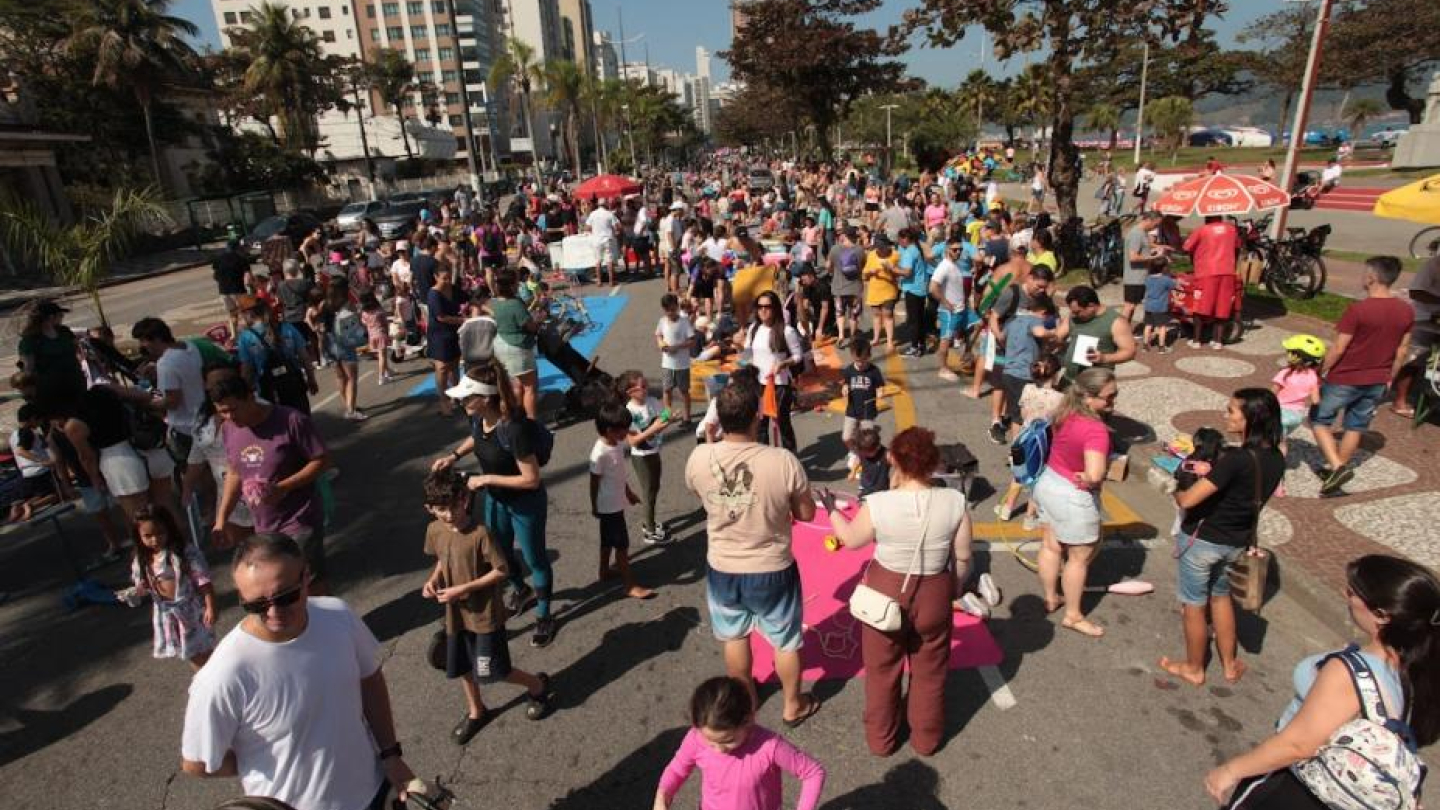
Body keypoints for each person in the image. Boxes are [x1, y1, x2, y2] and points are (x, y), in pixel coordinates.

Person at [180, 533, 417, 810]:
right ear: (242, 597)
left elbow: (370, 680)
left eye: (286, 597)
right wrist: (254, 761)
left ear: (306, 577)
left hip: (375, 792)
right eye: (256, 604)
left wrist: (391, 755)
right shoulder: (223, 675)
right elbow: (196, 763)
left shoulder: (337, 615)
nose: (273, 612)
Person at [1205, 555, 1440, 808]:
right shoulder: (1414, 666)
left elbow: (1297, 745)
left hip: (1296, 786)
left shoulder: (1348, 672)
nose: (1344, 595)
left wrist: (1230, 771)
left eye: (1352, 593)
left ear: (1382, 615)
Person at [822, 427, 972, 756]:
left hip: (886, 591)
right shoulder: (955, 501)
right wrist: (954, 587)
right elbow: (962, 556)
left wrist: (831, 509)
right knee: (930, 671)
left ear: (894, 460)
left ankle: (882, 740)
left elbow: (851, 539)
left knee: (881, 671)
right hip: (934, 589)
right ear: (933, 461)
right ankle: (926, 739)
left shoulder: (878, 503)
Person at [683, 378, 822, 728]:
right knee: (786, 640)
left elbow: (701, 496)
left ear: (718, 417)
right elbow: (807, 513)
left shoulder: (699, 457)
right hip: (772, 567)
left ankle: (746, 699)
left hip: (723, 567)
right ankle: (793, 705)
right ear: (757, 416)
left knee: (734, 636)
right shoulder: (782, 460)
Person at [1160, 389, 1286, 687]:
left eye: (1231, 410)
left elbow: (1188, 500)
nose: (1225, 415)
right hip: (1236, 541)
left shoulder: (1236, 459)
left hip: (1202, 540)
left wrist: (1178, 489)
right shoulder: (1276, 458)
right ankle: (1229, 664)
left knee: (1194, 604)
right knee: (1220, 597)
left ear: (1251, 418)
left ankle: (1194, 667)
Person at [420, 470, 553, 746]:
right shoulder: (435, 530)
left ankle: (537, 685)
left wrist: (463, 589)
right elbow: (443, 558)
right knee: (462, 666)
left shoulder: (481, 534)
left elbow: (501, 570)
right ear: (430, 509)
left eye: (454, 506)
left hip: (484, 616)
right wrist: (433, 580)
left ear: (465, 499)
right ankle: (476, 711)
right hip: (456, 615)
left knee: (494, 669)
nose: (449, 515)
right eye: (441, 509)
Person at [432, 364, 557, 647]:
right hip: (497, 499)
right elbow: (476, 438)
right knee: (499, 554)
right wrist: (453, 456)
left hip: (525, 503)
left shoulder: (513, 429)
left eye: (467, 397)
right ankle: (522, 590)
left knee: (535, 559)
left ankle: (544, 614)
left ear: (486, 398)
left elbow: (531, 479)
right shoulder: (479, 419)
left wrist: (485, 478)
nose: (461, 402)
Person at [209, 373, 331, 594]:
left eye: (234, 409)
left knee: (309, 584)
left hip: (299, 518)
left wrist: (283, 487)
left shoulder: (291, 420)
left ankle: (329, 615)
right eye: (222, 412)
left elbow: (321, 460)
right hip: (264, 526)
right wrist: (221, 520)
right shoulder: (229, 429)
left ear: (250, 397)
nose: (230, 416)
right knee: (281, 586)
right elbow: (234, 473)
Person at [1312, 257, 1413, 496]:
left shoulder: (1358, 310)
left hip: (1345, 376)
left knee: (1319, 420)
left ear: (1371, 278)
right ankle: (1337, 469)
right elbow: (1402, 350)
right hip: (1378, 378)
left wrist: (1318, 371)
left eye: (1364, 273)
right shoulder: (1406, 311)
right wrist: (1390, 377)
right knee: (1355, 425)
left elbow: (1339, 348)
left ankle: (1337, 467)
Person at [1032, 367, 1117, 638]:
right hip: (1072, 495)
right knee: (1078, 558)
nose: (1113, 401)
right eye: (1109, 396)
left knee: (1051, 545)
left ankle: (1050, 597)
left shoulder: (1064, 412)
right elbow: (1095, 473)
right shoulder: (1096, 430)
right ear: (1089, 397)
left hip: (1048, 483)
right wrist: (1092, 478)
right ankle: (1073, 615)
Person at [655, 676, 826, 810]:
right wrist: (663, 796)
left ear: (749, 719)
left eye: (728, 741)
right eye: (710, 741)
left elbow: (812, 772)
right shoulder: (695, 738)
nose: (718, 749)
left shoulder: (769, 746)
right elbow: (677, 770)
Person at [116, 505, 216, 670]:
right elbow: (144, 586)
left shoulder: (184, 552)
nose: (155, 540)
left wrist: (210, 606)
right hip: (166, 614)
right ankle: (203, 679)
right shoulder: (142, 559)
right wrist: (135, 592)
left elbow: (203, 579)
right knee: (189, 653)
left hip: (190, 611)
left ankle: (210, 679)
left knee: (203, 652)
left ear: (170, 529)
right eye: (148, 536)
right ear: (138, 536)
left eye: (160, 533)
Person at [590, 402, 659, 600]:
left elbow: (618, 474)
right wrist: (595, 505)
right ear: (610, 430)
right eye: (623, 430)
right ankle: (629, 586)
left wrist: (628, 492)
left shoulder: (617, 443)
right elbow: (594, 481)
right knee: (622, 546)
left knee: (607, 540)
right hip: (609, 507)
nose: (627, 433)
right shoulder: (600, 453)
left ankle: (604, 571)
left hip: (615, 502)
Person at [184, 366, 254, 549]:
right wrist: (187, 487)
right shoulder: (202, 417)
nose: (219, 388)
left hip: (257, 492)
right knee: (243, 549)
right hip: (228, 497)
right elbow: (197, 455)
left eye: (224, 382)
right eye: (213, 385)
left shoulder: (255, 409)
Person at [995, 354, 1064, 526]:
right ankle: (1029, 517)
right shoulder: (1060, 398)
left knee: (1019, 475)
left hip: (1025, 438)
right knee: (1037, 479)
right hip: (1044, 443)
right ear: (1056, 374)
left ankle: (1007, 508)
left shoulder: (1028, 389)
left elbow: (1023, 414)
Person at [131, 317, 206, 464]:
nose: (143, 346)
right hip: (202, 418)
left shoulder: (166, 363)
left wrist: (147, 404)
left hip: (184, 428)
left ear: (157, 339)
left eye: (143, 341)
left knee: (190, 468)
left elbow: (172, 401)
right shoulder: (189, 347)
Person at [740, 290, 804, 453]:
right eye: (759, 306)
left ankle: (790, 457)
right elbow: (747, 354)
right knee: (760, 424)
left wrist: (783, 364)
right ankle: (765, 457)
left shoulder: (787, 331)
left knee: (783, 423)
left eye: (767, 306)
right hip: (758, 384)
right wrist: (738, 347)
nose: (763, 310)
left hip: (779, 385)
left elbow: (798, 356)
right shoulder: (754, 328)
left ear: (775, 308)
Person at [618, 370, 673, 545]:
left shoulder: (652, 401)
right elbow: (633, 441)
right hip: (641, 457)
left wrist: (668, 419)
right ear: (630, 392)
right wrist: (654, 429)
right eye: (642, 386)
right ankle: (649, 531)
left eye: (646, 384)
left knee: (654, 488)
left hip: (654, 451)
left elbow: (660, 421)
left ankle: (649, 522)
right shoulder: (629, 412)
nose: (647, 388)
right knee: (649, 492)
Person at [235, 298, 317, 413]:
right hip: (294, 384)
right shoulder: (287, 328)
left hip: (268, 390)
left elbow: (247, 370)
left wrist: (246, 393)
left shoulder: (246, 338)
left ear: (249, 314)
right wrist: (311, 379)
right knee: (301, 418)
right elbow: (305, 358)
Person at [490, 268, 542, 419]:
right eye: (516, 282)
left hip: (500, 344)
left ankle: (516, 419)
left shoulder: (494, 302)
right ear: (511, 285)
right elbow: (530, 326)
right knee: (530, 387)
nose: (519, 285)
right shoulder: (515, 303)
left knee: (517, 385)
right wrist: (539, 320)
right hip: (517, 347)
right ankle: (531, 422)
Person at [1391, 254, 1440, 416]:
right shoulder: (1433, 265)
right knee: (1413, 358)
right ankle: (1400, 401)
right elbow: (1416, 292)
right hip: (1423, 317)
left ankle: (1430, 395)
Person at [1183, 215, 1242, 349]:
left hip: (1206, 272)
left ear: (1207, 217)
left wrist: (1195, 260)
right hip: (1227, 272)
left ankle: (1196, 340)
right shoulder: (1232, 229)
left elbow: (1187, 248)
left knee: (1200, 307)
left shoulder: (1201, 230)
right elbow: (1237, 248)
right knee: (1222, 307)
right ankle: (1217, 341)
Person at [1058, 285, 1138, 382]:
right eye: (1072, 311)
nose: (1074, 315)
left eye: (1078, 312)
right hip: (1069, 380)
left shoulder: (1116, 322)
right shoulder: (1074, 317)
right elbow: (1057, 337)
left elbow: (1130, 352)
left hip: (1095, 384)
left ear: (1091, 306)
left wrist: (1104, 358)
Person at [17, 299, 86, 405]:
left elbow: (78, 350)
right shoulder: (30, 341)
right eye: (60, 315)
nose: (62, 317)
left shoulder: (64, 331)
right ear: (50, 317)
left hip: (76, 382)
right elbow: (29, 369)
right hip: (51, 389)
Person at [930, 236, 976, 382]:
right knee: (946, 339)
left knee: (978, 324)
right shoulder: (944, 266)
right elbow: (933, 287)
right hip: (949, 311)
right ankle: (943, 368)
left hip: (962, 307)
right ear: (947, 250)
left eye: (960, 250)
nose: (958, 252)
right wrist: (945, 302)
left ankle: (967, 354)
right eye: (954, 250)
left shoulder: (955, 265)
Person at [1273, 335, 1325, 453]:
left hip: (1279, 413)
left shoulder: (1285, 372)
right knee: (1281, 440)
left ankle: (1275, 462)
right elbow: (1316, 400)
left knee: (1277, 442)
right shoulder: (1313, 376)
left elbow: (1272, 393)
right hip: (1296, 416)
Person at [427, 264, 465, 416]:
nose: (448, 281)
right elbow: (441, 317)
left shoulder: (453, 289)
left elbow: (470, 298)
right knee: (442, 368)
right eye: (444, 278)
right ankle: (444, 402)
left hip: (453, 333)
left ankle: (457, 396)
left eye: (449, 278)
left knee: (454, 365)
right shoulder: (433, 294)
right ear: (436, 277)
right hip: (439, 335)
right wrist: (464, 320)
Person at [655, 293, 695, 424]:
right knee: (667, 390)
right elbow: (658, 335)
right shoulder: (662, 321)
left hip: (682, 364)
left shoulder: (684, 322)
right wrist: (661, 344)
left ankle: (687, 416)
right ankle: (668, 414)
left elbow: (692, 341)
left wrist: (677, 347)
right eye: (667, 310)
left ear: (677, 307)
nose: (670, 313)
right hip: (667, 363)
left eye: (673, 309)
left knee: (684, 391)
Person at [840, 337, 884, 456]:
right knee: (846, 437)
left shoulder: (874, 371)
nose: (859, 364)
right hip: (852, 410)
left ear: (869, 356)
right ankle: (855, 452)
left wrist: (880, 391)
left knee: (868, 440)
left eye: (863, 361)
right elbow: (845, 383)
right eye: (857, 361)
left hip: (868, 411)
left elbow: (880, 386)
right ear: (852, 356)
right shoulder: (849, 370)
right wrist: (844, 388)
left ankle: (866, 455)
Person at [896, 228, 933, 358]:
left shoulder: (909, 252)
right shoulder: (917, 249)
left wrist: (892, 269)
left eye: (900, 239)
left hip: (912, 289)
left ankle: (914, 347)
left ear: (905, 239)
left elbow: (907, 272)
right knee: (919, 319)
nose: (899, 242)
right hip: (920, 288)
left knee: (914, 321)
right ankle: (921, 345)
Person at [1123, 211, 1164, 323]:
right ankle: (1121, 329)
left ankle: (1126, 327)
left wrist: (1159, 247)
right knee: (1129, 306)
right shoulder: (1136, 234)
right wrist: (1153, 257)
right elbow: (1133, 257)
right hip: (1134, 277)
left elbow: (1145, 245)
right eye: (1156, 224)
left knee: (1133, 305)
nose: (1156, 227)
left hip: (1140, 277)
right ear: (1149, 220)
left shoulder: (1143, 233)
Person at [828, 227, 866, 349]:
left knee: (840, 312)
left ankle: (841, 335)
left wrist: (833, 271)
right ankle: (853, 335)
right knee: (854, 314)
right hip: (855, 288)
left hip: (839, 287)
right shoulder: (860, 250)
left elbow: (829, 266)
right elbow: (862, 266)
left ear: (844, 236)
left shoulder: (835, 249)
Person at [863, 235, 901, 353]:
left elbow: (900, 273)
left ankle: (890, 341)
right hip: (874, 290)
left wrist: (890, 269)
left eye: (881, 247)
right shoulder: (871, 255)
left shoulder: (895, 255)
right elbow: (865, 274)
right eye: (877, 247)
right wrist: (870, 272)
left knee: (888, 315)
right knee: (876, 315)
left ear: (886, 246)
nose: (879, 250)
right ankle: (876, 338)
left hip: (889, 290)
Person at [212, 240, 252, 340]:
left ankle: (234, 336)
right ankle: (252, 334)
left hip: (224, 292)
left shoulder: (218, 258)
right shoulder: (241, 258)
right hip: (238, 290)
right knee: (246, 313)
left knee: (232, 314)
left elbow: (215, 276)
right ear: (238, 248)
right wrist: (252, 288)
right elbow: (248, 278)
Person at [1142, 261, 1177, 352]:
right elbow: (1173, 286)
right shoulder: (1166, 279)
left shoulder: (1147, 278)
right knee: (1162, 327)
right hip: (1161, 307)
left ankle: (1145, 346)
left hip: (1149, 306)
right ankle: (1161, 347)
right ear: (1164, 268)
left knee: (1148, 325)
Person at [586, 198, 620, 285]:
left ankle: (599, 281)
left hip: (596, 240)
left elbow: (587, 227)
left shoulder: (593, 214)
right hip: (607, 239)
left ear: (598, 205)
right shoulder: (609, 214)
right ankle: (611, 281)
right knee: (609, 260)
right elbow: (617, 227)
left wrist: (594, 230)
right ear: (605, 204)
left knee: (598, 261)